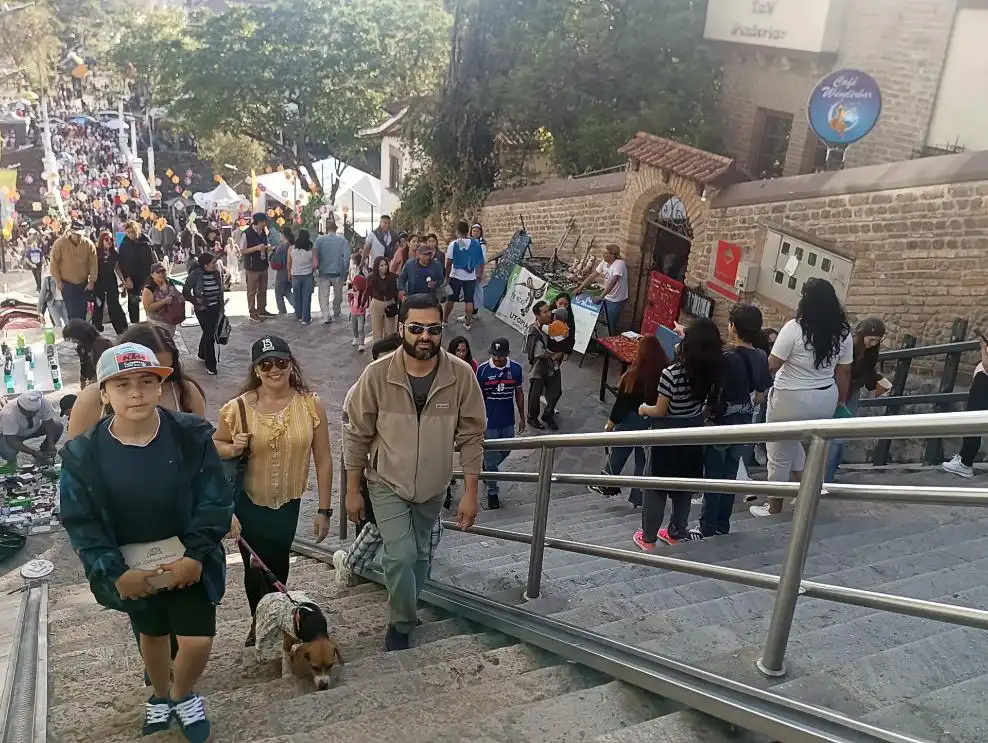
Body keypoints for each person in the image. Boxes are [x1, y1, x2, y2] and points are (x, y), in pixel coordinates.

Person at [60, 342, 232, 741]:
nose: (135, 392)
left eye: (145, 381)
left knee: (197, 638)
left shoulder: (189, 436)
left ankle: (182, 693)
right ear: (103, 393)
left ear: (159, 386)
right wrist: (115, 574)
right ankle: (159, 696)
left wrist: (196, 556)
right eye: (122, 384)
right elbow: (80, 520)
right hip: (132, 567)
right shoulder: (84, 455)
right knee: (152, 635)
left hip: (188, 560)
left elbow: (215, 499)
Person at [343, 293, 485, 651]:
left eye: (433, 329)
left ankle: (406, 605)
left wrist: (471, 492)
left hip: (434, 487)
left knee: (420, 554)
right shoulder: (376, 375)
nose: (425, 336)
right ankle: (402, 621)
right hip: (386, 483)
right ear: (401, 327)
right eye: (417, 328)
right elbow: (356, 433)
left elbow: (471, 436)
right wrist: (352, 489)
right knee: (401, 554)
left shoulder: (461, 376)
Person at [213, 336, 333, 645]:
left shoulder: (310, 405)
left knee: (278, 565)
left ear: (291, 364)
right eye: (266, 364)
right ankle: (260, 621)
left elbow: (323, 458)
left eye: (281, 362)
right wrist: (232, 447)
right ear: (256, 370)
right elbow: (213, 447)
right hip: (249, 504)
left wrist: (324, 510)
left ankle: (273, 616)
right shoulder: (236, 409)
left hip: (288, 503)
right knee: (256, 571)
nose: (274, 369)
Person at [333, 335, 446, 587]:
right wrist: (355, 486)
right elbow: (351, 437)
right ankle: (354, 566)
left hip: (421, 473)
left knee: (429, 528)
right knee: (380, 528)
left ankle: (415, 578)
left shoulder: (424, 386)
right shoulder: (361, 390)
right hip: (381, 474)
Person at [750, 278, 853, 518]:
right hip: (825, 398)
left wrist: (756, 387)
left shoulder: (794, 328)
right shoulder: (843, 333)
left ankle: (774, 505)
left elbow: (773, 364)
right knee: (796, 444)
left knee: (778, 453)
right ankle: (806, 495)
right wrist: (840, 401)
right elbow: (845, 370)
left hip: (790, 398)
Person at [637, 318, 724, 546]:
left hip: (667, 435)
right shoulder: (710, 372)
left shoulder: (671, 373)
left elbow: (661, 409)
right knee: (683, 487)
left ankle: (648, 537)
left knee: (655, 488)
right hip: (693, 434)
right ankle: (677, 531)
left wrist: (644, 408)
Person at [692, 303, 771, 538]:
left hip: (721, 424)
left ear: (733, 327)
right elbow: (760, 393)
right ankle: (722, 526)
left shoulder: (726, 358)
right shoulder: (760, 356)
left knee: (714, 477)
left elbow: (713, 392)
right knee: (730, 478)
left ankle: (706, 527)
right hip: (744, 423)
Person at [68, 322, 206, 439]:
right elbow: (76, 459)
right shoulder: (91, 398)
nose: (160, 382)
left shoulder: (186, 391)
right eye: (124, 384)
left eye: (165, 372)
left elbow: (200, 445)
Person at [588, 336, 667, 507]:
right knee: (642, 459)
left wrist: (610, 424)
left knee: (618, 452)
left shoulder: (633, 376)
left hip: (632, 419)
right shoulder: (664, 372)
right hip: (651, 419)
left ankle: (606, 484)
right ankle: (638, 497)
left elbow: (621, 404)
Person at [827, 318, 888, 481]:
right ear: (862, 336)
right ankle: (825, 476)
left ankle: (830, 473)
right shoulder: (850, 347)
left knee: (841, 436)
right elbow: (844, 373)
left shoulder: (870, 353)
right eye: (871, 339)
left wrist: (876, 381)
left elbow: (867, 371)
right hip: (839, 392)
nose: (873, 344)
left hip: (853, 393)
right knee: (834, 437)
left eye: (877, 340)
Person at [476, 338, 525, 509]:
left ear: (507, 355)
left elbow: (519, 393)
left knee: (506, 450)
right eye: (494, 356)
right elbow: (478, 398)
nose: (497, 360)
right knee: (490, 460)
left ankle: (489, 467)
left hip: (507, 420)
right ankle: (492, 493)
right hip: (489, 422)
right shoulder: (482, 371)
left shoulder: (516, 369)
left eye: (500, 357)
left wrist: (522, 417)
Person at [943, 333, 988, 478]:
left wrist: (983, 348)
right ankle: (964, 459)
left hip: (984, 384)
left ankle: (965, 462)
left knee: (973, 420)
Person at [182, 253, 224, 376]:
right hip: (202, 309)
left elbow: (220, 291)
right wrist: (196, 301)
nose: (215, 265)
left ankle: (201, 353)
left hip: (215, 307)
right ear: (205, 265)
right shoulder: (195, 274)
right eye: (213, 263)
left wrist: (221, 307)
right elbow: (185, 292)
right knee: (209, 334)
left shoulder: (216, 273)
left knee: (208, 332)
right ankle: (211, 364)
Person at [574, 244, 629, 335]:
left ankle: (609, 341)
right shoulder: (604, 262)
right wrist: (580, 288)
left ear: (612, 255)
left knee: (610, 323)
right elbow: (593, 275)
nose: (603, 254)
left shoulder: (619, 264)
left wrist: (601, 296)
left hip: (615, 298)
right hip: (607, 296)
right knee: (601, 322)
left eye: (606, 253)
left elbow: (613, 281)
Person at [525, 301, 562, 430]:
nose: (548, 314)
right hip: (539, 367)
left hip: (553, 365)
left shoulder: (555, 325)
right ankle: (532, 418)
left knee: (556, 392)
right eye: (544, 312)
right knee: (535, 394)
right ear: (537, 315)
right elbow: (537, 352)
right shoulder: (533, 331)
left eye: (548, 310)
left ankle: (548, 414)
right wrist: (553, 355)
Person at [0, 391, 63, 467]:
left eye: (36, 412)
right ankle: (12, 462)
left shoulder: (43, 403)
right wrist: (33, 452)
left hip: (36, 428)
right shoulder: (8, 413)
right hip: (15, 435)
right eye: (31, 413)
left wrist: (51, 443)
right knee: (7, 450)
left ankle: (44, 453)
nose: (35, 414)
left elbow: (49, 423)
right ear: (21, 408)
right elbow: (11, 440)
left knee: (57, 426)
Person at [50, 222, 98, 321]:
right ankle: (74, 333)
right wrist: (58, 281)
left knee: (82, 311)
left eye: (80, 234)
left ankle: (81, 333)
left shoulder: (88, 244)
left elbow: (93, 263)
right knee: (71, 312)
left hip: (83, 282)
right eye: (75, 234)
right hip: (67, 282)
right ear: (70, 232)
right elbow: (54, 263)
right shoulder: (60, 243)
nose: (77, 236)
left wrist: (92, 281)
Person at [443, 221, 485, 331]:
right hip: (470, 277)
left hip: (456, 276)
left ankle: (445, 321)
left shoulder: (454, 244)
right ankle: (467, 323)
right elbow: (481, 261)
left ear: (457, 232)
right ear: (468, 231)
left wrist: (447, 277)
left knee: (450, 299)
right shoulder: (476, 244)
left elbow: (449, 263)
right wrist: (479, 273)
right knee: (469, 300)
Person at [118, 221, 157, 324]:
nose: (131, 234)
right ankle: (135, 324)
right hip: (132, 278)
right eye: (128, 232)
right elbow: (123, 262)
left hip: (147, 275)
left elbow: (153, 257)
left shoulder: (145, 241)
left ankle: (153, 322)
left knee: (150, 300)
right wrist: (126, 278)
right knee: (133, 301)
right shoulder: (125, 244)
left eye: (132, 232)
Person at [313, 221, 349, 323]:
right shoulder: (342, 240)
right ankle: (336, 311)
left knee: (324, 295)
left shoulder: (319, 240)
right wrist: (344, 269)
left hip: (323, 271)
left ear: (326, 229)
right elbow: (346, 257)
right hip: (338, 272)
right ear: (336, 228)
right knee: (338, 295)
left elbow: (315, 255)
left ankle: (326, 315)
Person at [92, 230, 127, 334]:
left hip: (111, 280)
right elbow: (91, 267)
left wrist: (123, 280)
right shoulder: (96, 251)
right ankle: (96, 329)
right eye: (106, 239)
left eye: (111, 239)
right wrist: (91, 281)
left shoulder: (113, 252)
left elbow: (116, 267)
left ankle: (121, 328)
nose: (109, 242)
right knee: (98, 305)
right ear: (101, 240)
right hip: (99, 281)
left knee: (114, 304)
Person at [62, 319, 114, 388]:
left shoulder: (102, 345)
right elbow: (83, 365)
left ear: (81, 336)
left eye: (73, 339)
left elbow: (109, 370)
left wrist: (94, 383)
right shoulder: (82, 347)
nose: (72, 341)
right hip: (92, 382)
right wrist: (83, 380)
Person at [142, 262, 185, 338]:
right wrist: (164, 301)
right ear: (152, 275)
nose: (161, 274)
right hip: (156, 324)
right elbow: (148, 308)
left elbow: (178, 295)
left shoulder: (169, 283)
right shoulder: (149, 289)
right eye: (158, 272)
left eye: (163, 271)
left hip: (170, 323)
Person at [243, 213, 272, 322]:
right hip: (251, 267)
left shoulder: (264, 232)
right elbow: (242, 250)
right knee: (251, 291)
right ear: (259, 222)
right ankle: (252, 311)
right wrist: (256, 248)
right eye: (264, 222)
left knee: (263, 289)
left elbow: (266, 244)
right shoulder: (246, 233)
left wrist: (267, 248)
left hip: (263, 264)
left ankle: (262, 309)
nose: (265, 224)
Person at [288, 228, 317, 325]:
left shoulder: (291, 249)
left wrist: (289, 273)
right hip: (307, 275)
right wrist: (312, 270)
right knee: (306, 297)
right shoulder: (311, 249)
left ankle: (299, 315)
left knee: (297, 296)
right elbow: (315, 264)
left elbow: (289, 263)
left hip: (295, 275)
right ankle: (306, 318)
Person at [367, 255, 399, 342]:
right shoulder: (371, 277)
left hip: (390, 303)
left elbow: (396, 291)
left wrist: (396, 303)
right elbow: (369, 291)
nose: (384, 267)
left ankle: (387, 351)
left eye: (385, 264)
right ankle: (378, 352)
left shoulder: (392, 277)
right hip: (377, 303)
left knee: (389, 332)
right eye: (381, 265)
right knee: (377, 331)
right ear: (377, 267)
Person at [347, 254, 370, 352]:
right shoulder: (352, 292)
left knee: (361, 328)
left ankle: (361, 343)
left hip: (360, 312)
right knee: (354, 327)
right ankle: (355, 338)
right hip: (353, 312)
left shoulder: (364, 295)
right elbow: (349, 300)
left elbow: (366, 302)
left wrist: (363, 308)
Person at [271, 227, 295, 316]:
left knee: (278, 293)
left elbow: (277, 262)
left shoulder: (281, 247)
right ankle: (297, 306)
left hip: (282, 273)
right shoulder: (292, 246)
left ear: (284, 235)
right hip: (291, 272)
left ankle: (282, 312)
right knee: (287, 291)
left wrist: (272, 254)